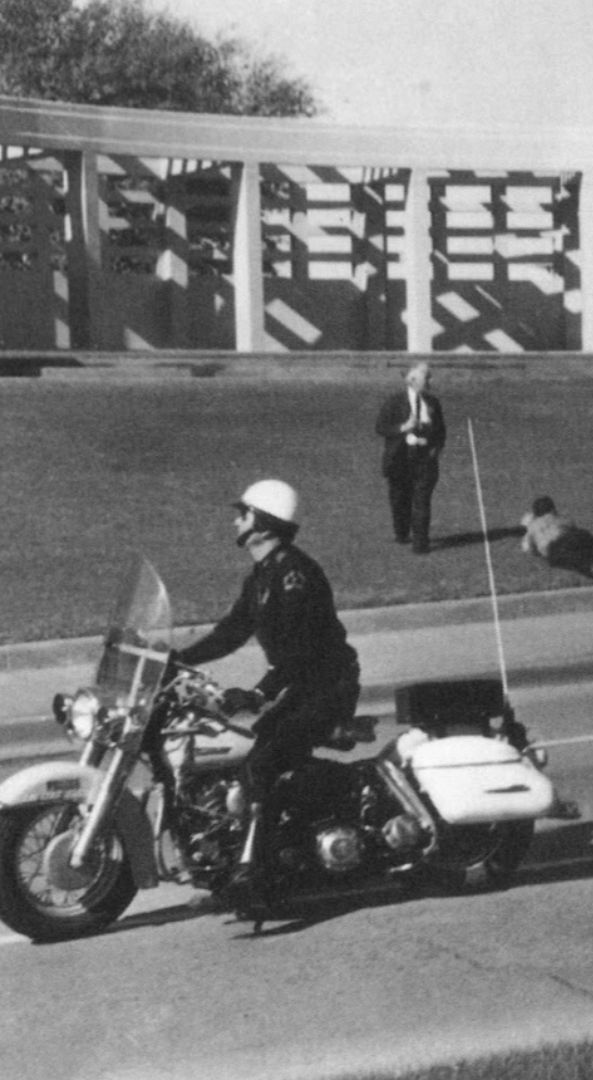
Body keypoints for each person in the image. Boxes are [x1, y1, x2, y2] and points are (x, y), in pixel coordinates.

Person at [175, 479, 360, 899]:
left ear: (263, 522)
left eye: (242, 513)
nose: (235, 519)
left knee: (263, 763)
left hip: (329, 686)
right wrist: (179, 659)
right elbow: (232, 631)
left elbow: (301, 652)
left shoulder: (296, 576)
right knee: (248, 751)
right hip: (304, 686)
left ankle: (258, 872)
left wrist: (258, 693)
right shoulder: (262, 574)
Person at [374, 362, 445, 554]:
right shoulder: (394, 401)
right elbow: (380, 427)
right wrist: (403, 428)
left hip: (424, 461)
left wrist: (434, 450)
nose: (431, 381)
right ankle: (402, 533)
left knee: (421, 502)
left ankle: (420, 544)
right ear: (413, 381)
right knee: (400, 500)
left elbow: (441, 431)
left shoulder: (433, 402)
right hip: (400, 460)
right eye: (427, 377)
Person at [520, 495, 593, 598]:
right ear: (553, 509)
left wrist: (542, 552)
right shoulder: (556, 518)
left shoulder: (531, 527)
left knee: (580, 566)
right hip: (570, 537)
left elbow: (530, 549)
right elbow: (570, 526)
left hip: (553, 552)